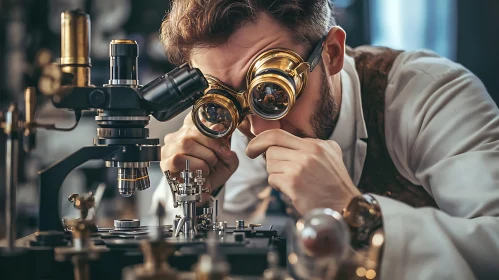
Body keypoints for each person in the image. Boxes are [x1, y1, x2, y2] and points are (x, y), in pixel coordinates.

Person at [153, 0, 499, 279]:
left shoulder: (431, 96)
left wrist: (354, 211)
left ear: (332, 53)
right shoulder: (243, 125)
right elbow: (218, 252)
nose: (259, 129)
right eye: (226, 97)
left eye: (272, 92)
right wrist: (192, 198)